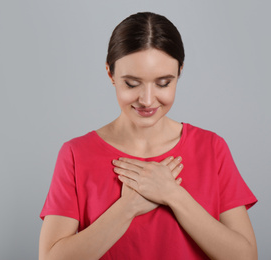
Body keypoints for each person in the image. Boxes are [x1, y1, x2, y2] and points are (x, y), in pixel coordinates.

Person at [38, 12, 257, 260]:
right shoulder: (76, 154)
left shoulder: (211, 148)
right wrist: (127, 208)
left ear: (180, 73)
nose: (147, 100)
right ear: (110, 74)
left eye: (164, 83)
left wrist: (173, 195)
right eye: (132, 83)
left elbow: (245, 256)